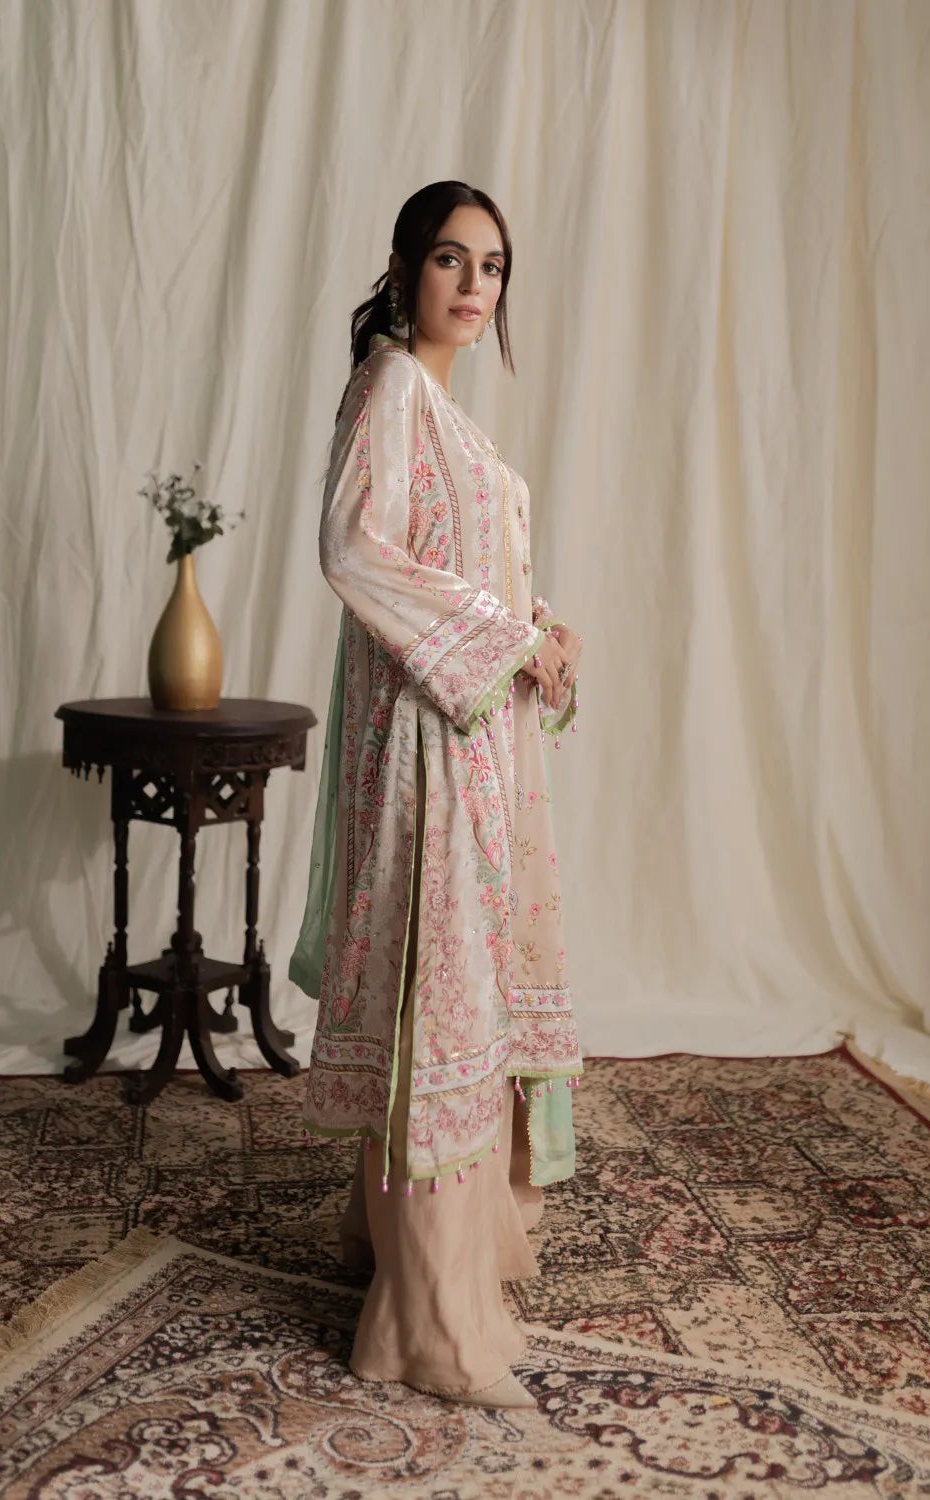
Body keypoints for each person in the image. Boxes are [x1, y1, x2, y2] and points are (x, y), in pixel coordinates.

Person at [290, 180, 584, 1409]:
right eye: (453, 260)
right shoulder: (393, 384)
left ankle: (433, 1262)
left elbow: (467, 565)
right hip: (423, 747)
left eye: (494, 266)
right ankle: (427, 1324)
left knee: (463, 992)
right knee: (437, 994)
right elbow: (355, 549)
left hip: (473, 746)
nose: (474, 285)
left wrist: (539, 628)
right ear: (408, 265)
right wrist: (508, 645)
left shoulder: (448, 415)